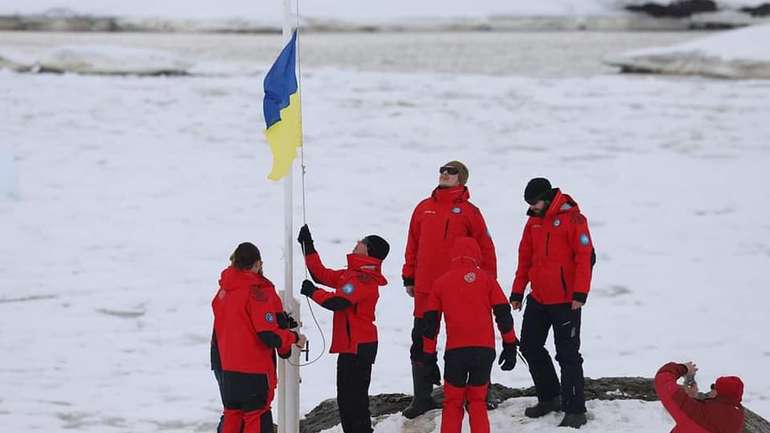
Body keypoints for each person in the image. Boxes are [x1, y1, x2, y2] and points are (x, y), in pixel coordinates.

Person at [402, 160, 498, 418]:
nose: (444, 174)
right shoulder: (423, 208)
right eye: (442, 170)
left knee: (470, 338)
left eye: (451, 172)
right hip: (425, 286)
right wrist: (408, 276)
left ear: (462, 179)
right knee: (421, 338)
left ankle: (480, 393)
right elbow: (413, 243)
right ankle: (421, 398)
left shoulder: (470, 212)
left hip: (462, 287)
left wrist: (488, 285)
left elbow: (486, 249)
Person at [509, 178, 596, 428]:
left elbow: (584, 257)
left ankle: (575, 409)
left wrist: (580, 294)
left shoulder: (574, 220)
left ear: (547, 199)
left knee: (568, 355)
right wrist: (517, 292)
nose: (531, 207)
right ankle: (550, 397)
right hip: (538, 298)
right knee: (529, 346)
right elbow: (524, 257)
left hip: (567, 302)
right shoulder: (533, 221)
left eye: (534, 202)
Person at [297, 224, 389, 433]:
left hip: (358, 347)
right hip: (353, 347)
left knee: (353, 403)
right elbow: (320, 274)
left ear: (368, 250)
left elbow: (339, 301)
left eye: (361, 242)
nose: (356, 244)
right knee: (348, 402)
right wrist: (308, 246)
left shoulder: (363, 280)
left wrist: (313, 293)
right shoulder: (352, 275)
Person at [421, 237, 518, 433]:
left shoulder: (441, 283)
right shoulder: (487, 279)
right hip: (484, 351)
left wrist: (429, 357)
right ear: (477, 255)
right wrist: (510, 345)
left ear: (453, 255)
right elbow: (503, 314)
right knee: (477, 401)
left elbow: (430, 325)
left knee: (453, 403)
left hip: (456, 352)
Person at [211, 242, 306, 433]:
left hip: (224, 365)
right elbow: (268, 334)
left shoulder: (224, 290)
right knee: (256, 416)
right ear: (257, 264)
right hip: (252, 367)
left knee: (232, 413)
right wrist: (293, 338)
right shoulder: (257, 292)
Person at [655, 361, 744, 433]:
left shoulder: (699, 413)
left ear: (719, 393)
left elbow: (663, 381)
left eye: (714, 387)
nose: (711, 388)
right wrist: (693, 399)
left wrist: (683, 368)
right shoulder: (736, 418)